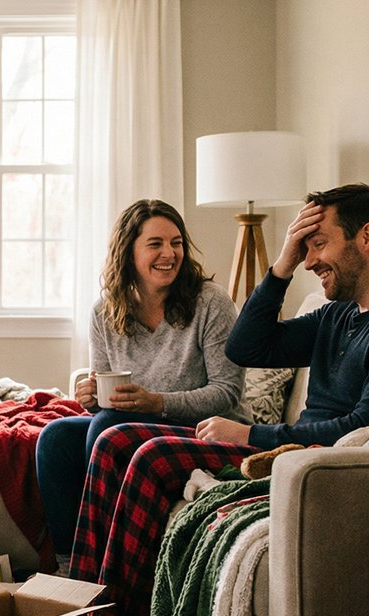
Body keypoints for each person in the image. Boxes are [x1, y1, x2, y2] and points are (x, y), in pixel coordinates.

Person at [72, 183, 369, 616]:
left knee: (150, 456)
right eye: (304, 249)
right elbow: (248, 347)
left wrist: (250, 436)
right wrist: (279, 266)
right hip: (292, 451)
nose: (308, 262)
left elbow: (364, 428)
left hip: (315, 464)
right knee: (111, 439)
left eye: (317, 245)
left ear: (368, 236)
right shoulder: (341, 314)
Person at [37, 199, 247, 569]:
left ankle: (102, 561)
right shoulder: (105, 310)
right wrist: (90, 397)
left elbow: (226, 392)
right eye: (156, 244)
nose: (169, 253)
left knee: (105, 427)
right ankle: (69, 566)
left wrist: (157, 403)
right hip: (129, 425)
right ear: (128, 251)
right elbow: (106, 395)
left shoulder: (210, 303)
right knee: (54, 437)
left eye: (177, 243)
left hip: (203, 428)